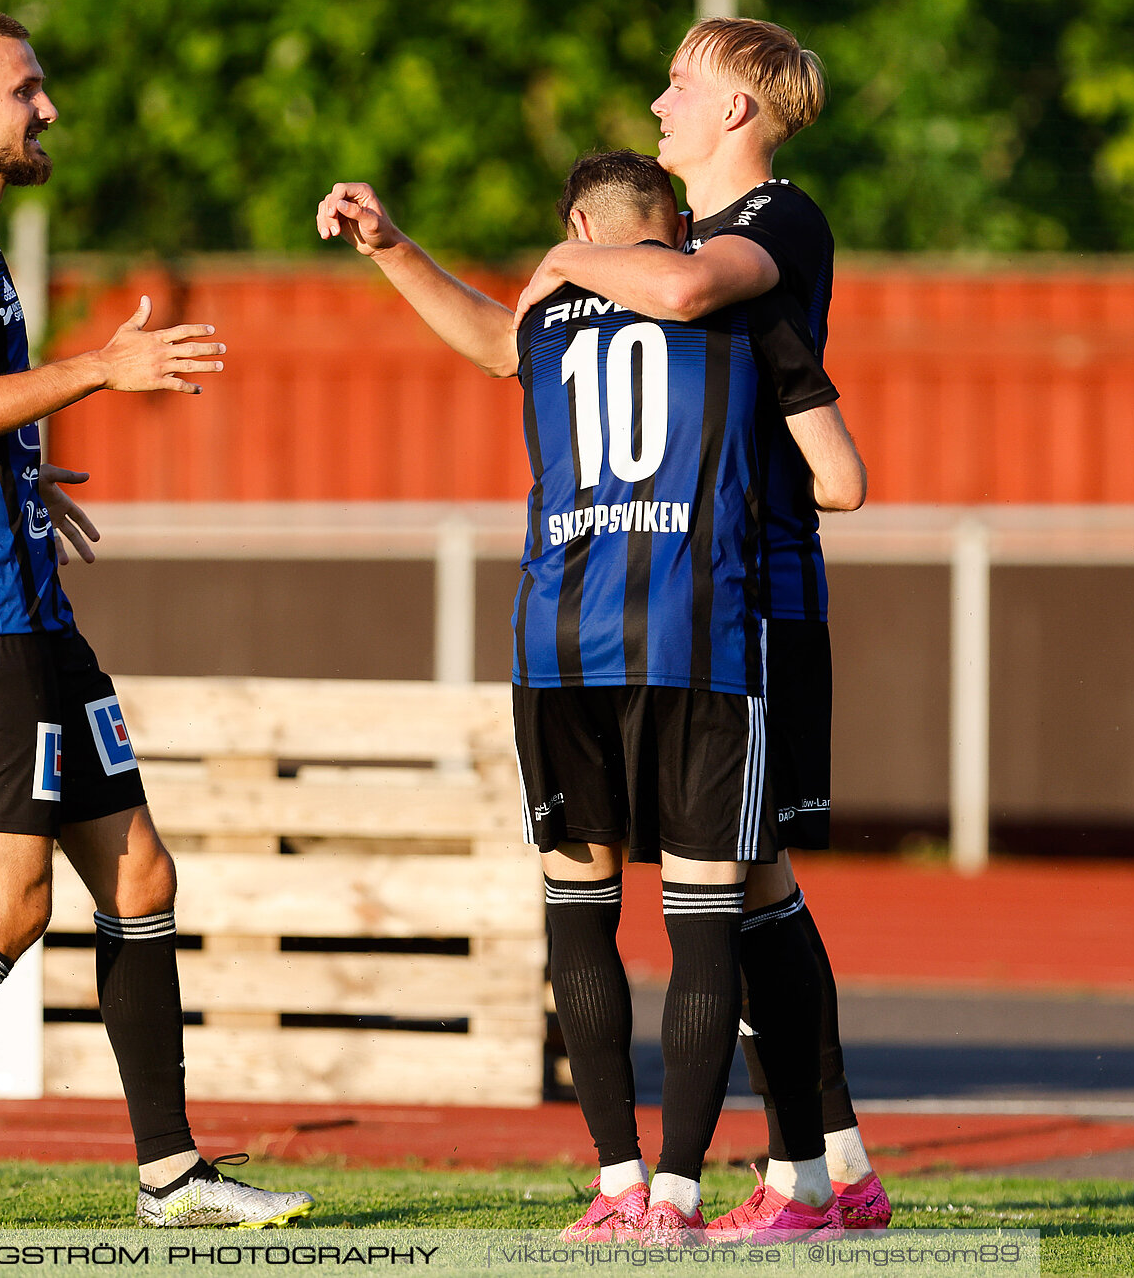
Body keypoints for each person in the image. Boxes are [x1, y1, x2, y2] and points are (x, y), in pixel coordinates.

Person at [0, 8, 313, 1231]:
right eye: (30, 89)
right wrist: (92, 373)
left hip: (29, 605)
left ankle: (172, 1175)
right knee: (4, 905)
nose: (49, 109)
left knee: (139, 872)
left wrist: (11, 478)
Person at [317, 149, 862, 1244]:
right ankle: (680, 1198)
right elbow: (841, 481)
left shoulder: (548, 320)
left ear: (577, 226)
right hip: (701, 635)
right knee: (713, 914)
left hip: (560, 642)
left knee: (581, 913)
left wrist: (394, 249)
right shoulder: (747, 312)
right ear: (681, 230)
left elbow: (489, 338)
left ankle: (613, 1186)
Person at [512, 17, 888, 1238]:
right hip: (694, 591)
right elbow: (825, 441)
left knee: (741, 889)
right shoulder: (694, 253)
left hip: (750, 600)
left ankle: (801, 1177)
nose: (661, 99)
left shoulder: (769, 224)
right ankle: (830, 1168)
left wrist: (573, 265)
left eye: (683, 82)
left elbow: (680, 297)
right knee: (759, 888)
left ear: (738, 110)